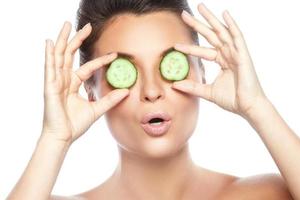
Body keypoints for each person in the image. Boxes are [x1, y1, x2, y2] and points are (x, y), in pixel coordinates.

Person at [7, 0, 299, 199]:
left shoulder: (264, 194)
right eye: (125, 71)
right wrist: (53, 139)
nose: (152, 90)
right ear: (91, 90)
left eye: (170, 64)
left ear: (201, 70)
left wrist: (257, 106)